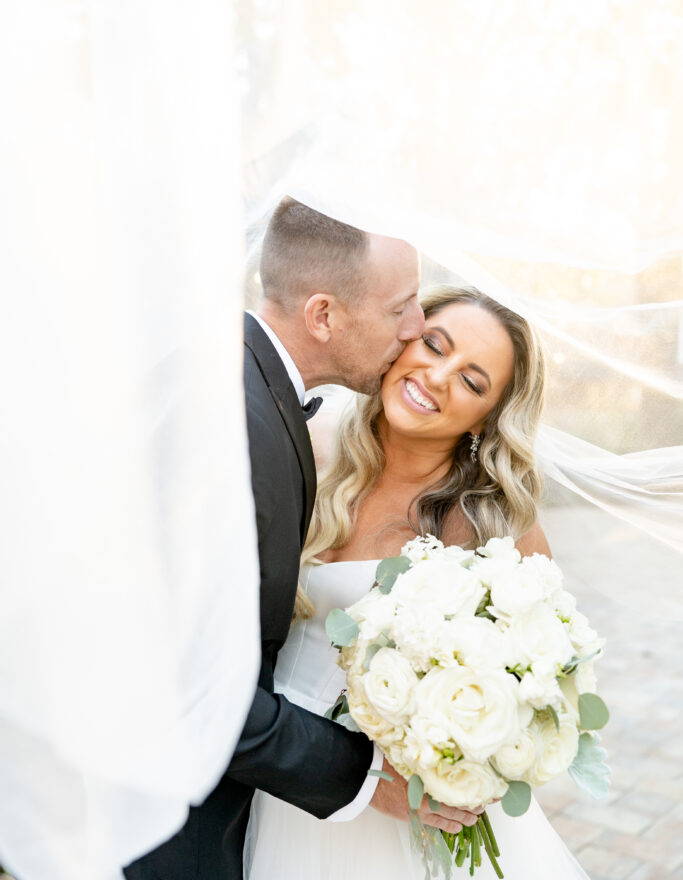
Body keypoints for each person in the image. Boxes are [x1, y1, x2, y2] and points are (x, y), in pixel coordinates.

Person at [125, 201, 483, 880]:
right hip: (164, 822)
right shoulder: (232, 421)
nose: (416, 329)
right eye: (401, 308)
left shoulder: (242, 383)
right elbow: (190, 681)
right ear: (324, 315)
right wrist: (364, 779)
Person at [245, 284, 592, 880]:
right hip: (275, 771)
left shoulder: (494, 526)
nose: (436, 376)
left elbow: (544, 685)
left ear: (488, 417)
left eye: (473, 381)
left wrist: (469, 748)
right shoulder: (302, 443)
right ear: (403, 340)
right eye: (434, 345)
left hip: (400, 816)